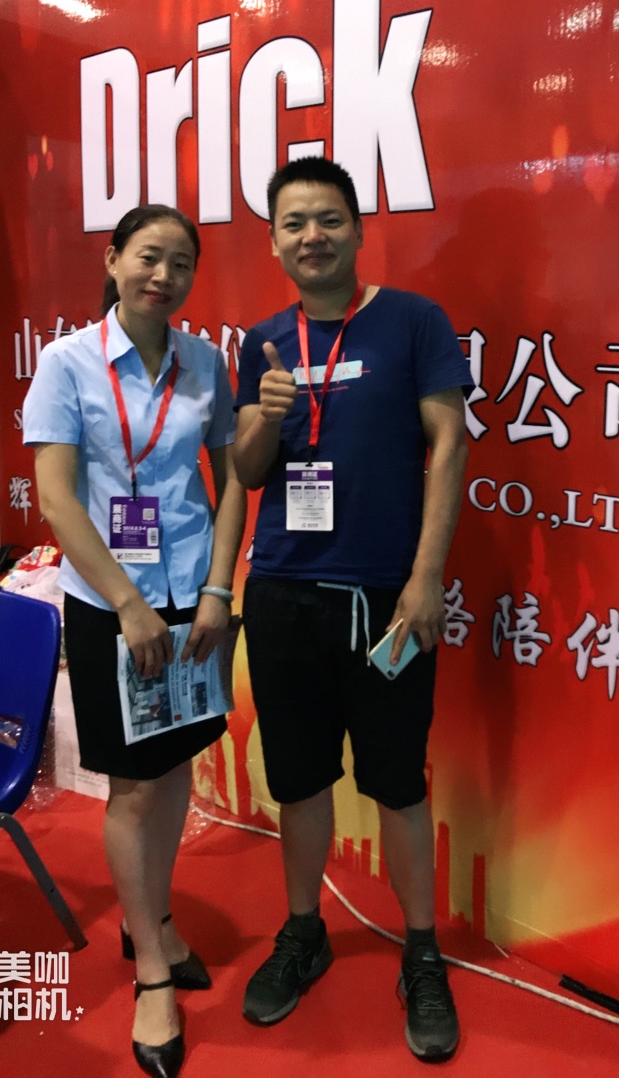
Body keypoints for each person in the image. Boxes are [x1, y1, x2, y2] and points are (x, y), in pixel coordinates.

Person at [233, 156, 471, 1062]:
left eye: (328, 219)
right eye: (294, 223)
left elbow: (448, 444)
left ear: (359, 229)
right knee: (298, 780)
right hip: (283, 593)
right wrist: (264, 414)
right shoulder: (263, 341)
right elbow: (246, 471)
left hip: (385, 598)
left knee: (398, 782)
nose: (312, 237)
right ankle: (305, 932)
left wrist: (426, 576)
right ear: (273, 241)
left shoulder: (413, 321)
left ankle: (422, 953)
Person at [23, 205, 246, 1078]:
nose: (165, 275)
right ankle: (152, 966)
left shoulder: (206, 363)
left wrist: (220, 589)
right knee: (131, 787)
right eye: (150, 257)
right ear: (114, 261)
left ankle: (150, 915)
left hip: (192, 598)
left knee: (175, 761)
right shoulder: (67, 362)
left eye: (182, 263)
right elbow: (57, 498)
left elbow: (230, 481)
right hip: (111, 604)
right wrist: (127, 603)